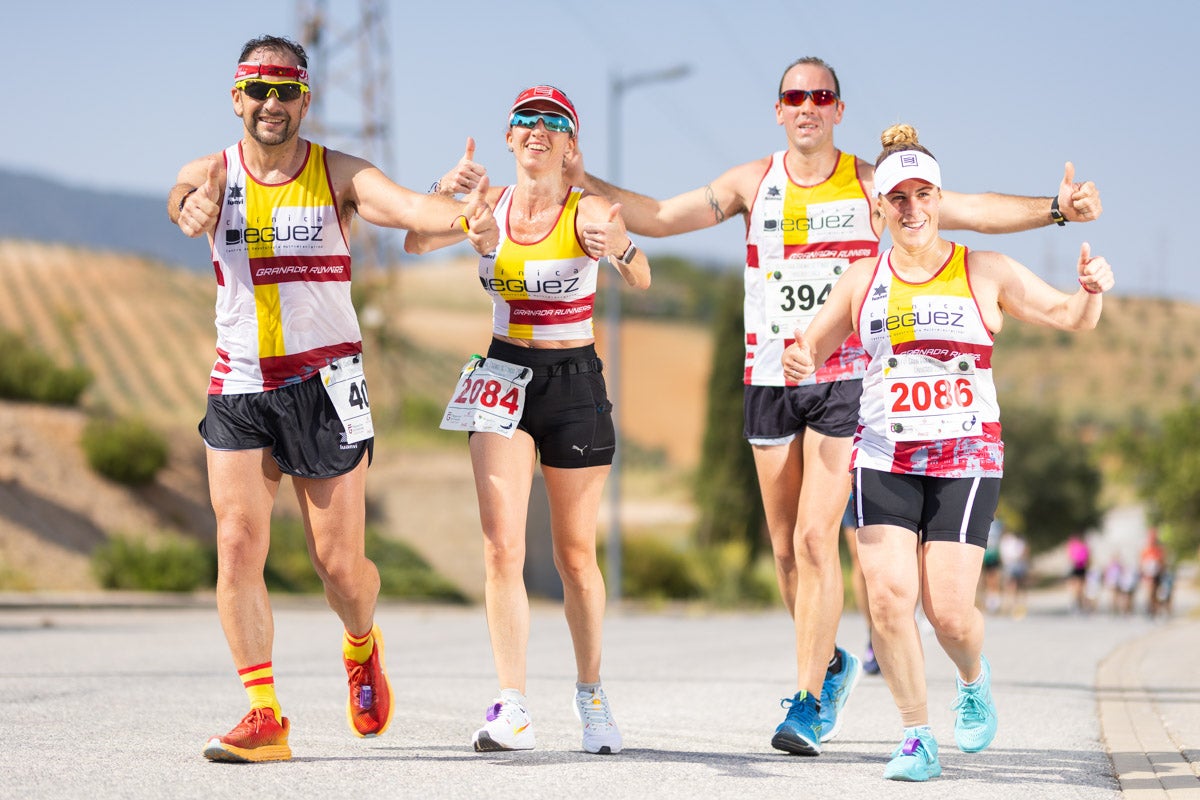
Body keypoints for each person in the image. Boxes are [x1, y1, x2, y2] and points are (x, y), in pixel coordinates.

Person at [560, 56, 1103, 756]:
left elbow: (969, 209)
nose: (807, 105)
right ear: (779, 110)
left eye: (821, 95)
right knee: (787, 552)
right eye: (794, 95)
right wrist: (585, 184)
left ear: (838, 110)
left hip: (849, 382)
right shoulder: (753, 183)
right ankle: (833, 665)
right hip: (768, 377)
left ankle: (808, 702)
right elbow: (661, 218)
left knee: (819, 539)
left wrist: (1055, 209)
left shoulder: (876, 184)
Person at [167, 35, 498, 763]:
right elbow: (186, 198)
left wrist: (464, 216)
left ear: (305, 100)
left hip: (326, 384)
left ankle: (361, 645)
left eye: (286, 90)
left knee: (340, 569)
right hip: (242, 383)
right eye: (258, 89)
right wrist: (190, 207)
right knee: (235, 544)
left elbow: (410, 209)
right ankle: (263, 714)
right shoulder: (212, 172)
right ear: (236, 97)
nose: (271, 103)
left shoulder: (339, 173)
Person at [781, 122, 1113, 781]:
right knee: (886, 598)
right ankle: (916, 737)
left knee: (951, 613)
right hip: (884, 457)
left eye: (922, 195)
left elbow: (1070, 317)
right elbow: (809, 348)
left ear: (939, 198)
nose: (911, 209)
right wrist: (798, 358)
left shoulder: (984, 272)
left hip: (966, 461)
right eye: (897, 198)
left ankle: (971, 676)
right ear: (880, 209)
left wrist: (1092, 290)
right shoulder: (860, 281)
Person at [405, 85, 651, 755]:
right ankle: (512, 705)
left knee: (574, 556)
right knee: (501, 546)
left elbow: (643, 277)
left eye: (553, 122)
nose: (536, 128)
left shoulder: (589, 211)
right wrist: (447, 194)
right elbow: (411, 239)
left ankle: (592, 695)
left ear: (571, 146)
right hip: (501, 373)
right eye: (524, 120)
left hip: (573, 381)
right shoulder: (489, 206)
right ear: (509, 139)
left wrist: (620, 247)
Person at [842, 482, 879, 674]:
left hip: (892, 473)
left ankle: (900, 624)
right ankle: (873, 634)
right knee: (860, 560)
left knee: (905, 557)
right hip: (851, 485)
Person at [998, 528, 1029, 618]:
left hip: (1017, 563)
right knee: (1011, 585)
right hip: (1010, 564)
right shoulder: (1006, 541)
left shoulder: (1016, 541)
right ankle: (1011, 604)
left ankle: (1019, 604)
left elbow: (1022, 552)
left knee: (1019, 585)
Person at [1140, 528, 1167, 617]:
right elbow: (1142, 563)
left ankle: (1155, 610)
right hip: (1148, 575)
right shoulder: (1145, 550)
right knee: (1150, 592)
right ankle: (1150, 609)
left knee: (1156, 593)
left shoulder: (1159, 550)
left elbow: (1162, 562)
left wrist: (1161, 571)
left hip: (1157, 575)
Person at [1066, 534, 1091, 613]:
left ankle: (1080, 605)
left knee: (1079, 589)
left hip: (1079, 569)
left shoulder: (1078, 546)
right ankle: (1079, 605)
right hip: (1078, 568)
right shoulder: (1081, 546)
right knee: (1078, 589)